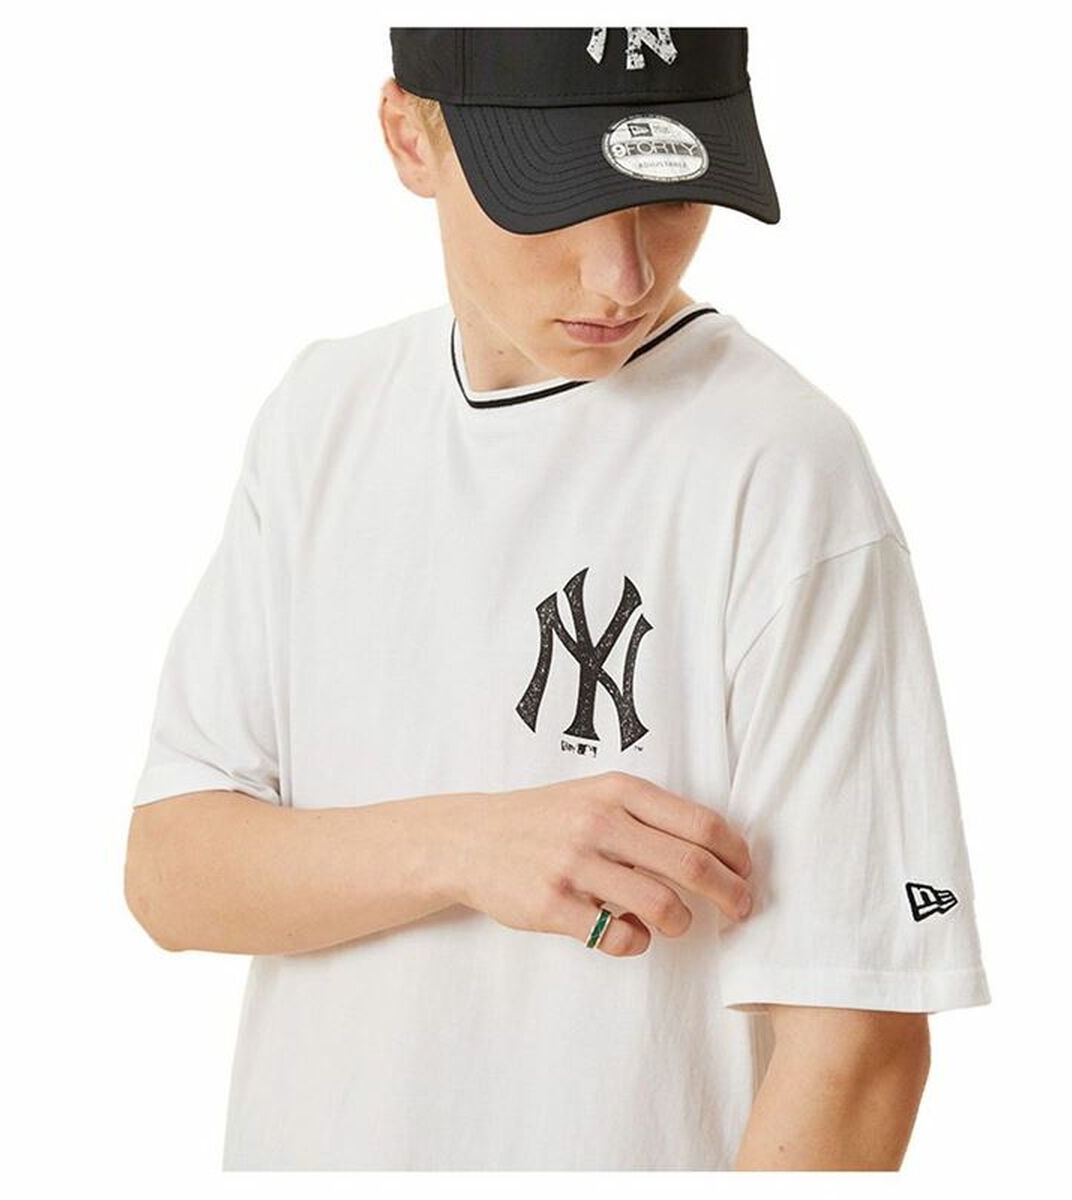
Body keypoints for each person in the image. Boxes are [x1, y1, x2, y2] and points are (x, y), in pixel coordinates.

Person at [123, 27, 991, 1171]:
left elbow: (859, 1047)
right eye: (558, 197)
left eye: (668, 195)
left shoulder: (781, 470)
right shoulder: (323, 418)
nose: (623, 274)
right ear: (410, 137)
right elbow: (171, 872)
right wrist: (469, 846)